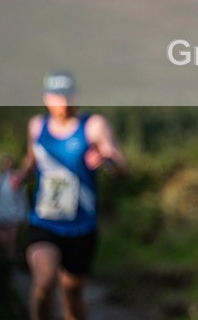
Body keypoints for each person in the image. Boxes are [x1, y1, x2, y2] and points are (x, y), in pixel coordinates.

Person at [10, 71, 128, 320]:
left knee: (72, 294)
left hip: (81, 225)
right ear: (46, 98)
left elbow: (121, 166)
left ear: (75, 97)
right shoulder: (37, 126)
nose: (61, 103)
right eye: (55, 97)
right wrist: (22, 175)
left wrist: (105, 160)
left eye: (66, 97)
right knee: (44, 281)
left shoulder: (93, 126)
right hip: (44, 221)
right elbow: (32, 161)